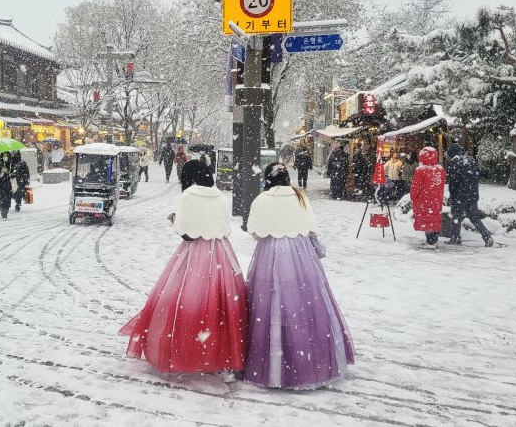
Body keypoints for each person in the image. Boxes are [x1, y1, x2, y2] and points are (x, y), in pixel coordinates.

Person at [119, 159, 247, 374]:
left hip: (195, 253)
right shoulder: (220, 196)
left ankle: (185, 348)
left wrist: (174, 221)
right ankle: (216, 350)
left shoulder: (189, 196)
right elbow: (225, 229)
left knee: (185, 298)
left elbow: (186, 232)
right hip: (220, 251)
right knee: (219, 300)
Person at [244, 162, 355, 389]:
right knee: (305, 304)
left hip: (270, 253)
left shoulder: (262, 199)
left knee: (268, 301)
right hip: (301, 253)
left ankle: (272, 361)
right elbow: (312, 228)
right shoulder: (300, 197)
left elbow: (255, 233)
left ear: (268, 179)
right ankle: (309, 359)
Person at [445, 144, 494, 247]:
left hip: (459, 196)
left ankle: (455, 238)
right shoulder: (471, 161)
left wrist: (452, 196)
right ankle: (486, 236)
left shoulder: (455, 163)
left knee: (456, 217)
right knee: (474, 217)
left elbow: (453, 182)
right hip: (472, 195)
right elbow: (476, 177)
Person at [410, 147, 446, 247]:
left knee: (426, 220)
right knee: (434, 219)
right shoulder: (440, 169)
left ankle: (430, 242)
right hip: (436, 200)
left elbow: (416, 187)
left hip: (423, 200)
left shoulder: (421, 170)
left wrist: (413, 197)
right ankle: (433, 240)